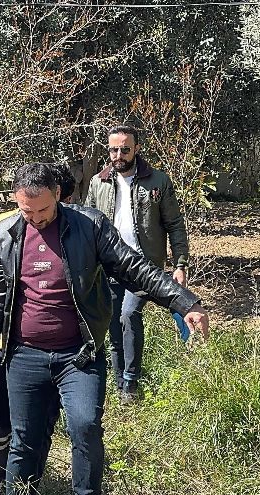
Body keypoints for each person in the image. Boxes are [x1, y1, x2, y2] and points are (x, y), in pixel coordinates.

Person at [0, 163, 209, 495]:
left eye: (43, 210)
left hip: (79, 353)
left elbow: (135, 269)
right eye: (27, 211)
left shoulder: (89, 226)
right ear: (16, 201)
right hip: (23, 355)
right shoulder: (7, 234)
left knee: (85, 426)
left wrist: (184, 302)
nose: (36, 219)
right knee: (24, 436)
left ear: (57, 196)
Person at [0, 163, 76, 495]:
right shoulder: (0, 228)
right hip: (4, 344)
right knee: (1, 416)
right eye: (31, 208)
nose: (41, 216)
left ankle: (26, 488)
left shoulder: (76, 227)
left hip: (57, 347)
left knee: (41, 421)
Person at [84, 125, 190, 403]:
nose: (118, 155)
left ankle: (130, 381)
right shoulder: (99, 182)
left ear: (136, 149)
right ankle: (122, 384)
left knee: (128, 314)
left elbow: (175, 225)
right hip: (108, 266)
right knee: (113, 325)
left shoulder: (157, 182)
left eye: (125, 149)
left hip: (144, 267)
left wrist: (180, 263)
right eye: (113, 149)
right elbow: (87, 225)